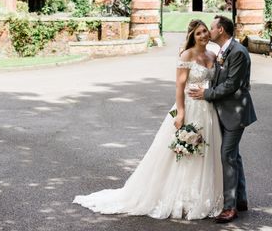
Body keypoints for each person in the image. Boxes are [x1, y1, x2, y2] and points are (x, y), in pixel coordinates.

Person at [73, 19, 223, 220]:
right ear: (192, 37)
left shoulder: (213, 54)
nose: (204, 35)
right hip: (190, 108)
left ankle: (200, 197)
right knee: (184, 155)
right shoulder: (187, 55)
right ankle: (180, 198)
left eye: (205, 31)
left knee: (205, 153)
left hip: (208, 110)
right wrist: (180, 113)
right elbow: (179, 87)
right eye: (198, 33)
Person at [188, 15, 257, 224]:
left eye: (212, 27)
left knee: (227, 155)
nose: (209, 31)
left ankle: (230, 207)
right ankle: (241, 199)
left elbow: (231, 85)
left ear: (221, 31)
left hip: (236, 112)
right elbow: (220, 78)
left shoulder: (238, 52)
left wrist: (206, 94)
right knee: (234, 156)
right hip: (222, 111)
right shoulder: (223, 50)